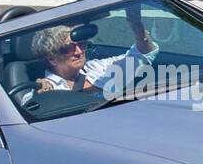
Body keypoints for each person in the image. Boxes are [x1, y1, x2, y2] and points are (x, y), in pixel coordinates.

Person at [30, 6, 158, 96]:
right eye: (69, 48)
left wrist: (135, 22)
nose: (79, 51)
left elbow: (143, 55)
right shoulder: (46, 88)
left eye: (81, 43)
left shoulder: (97, 68)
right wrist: (41, 97)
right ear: (52, 57)